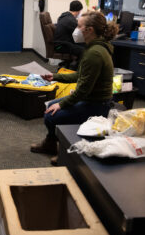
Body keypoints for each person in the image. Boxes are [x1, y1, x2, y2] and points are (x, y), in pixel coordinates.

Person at [30, 11, 119, 163]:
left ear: (89, 30)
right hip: (92, 100)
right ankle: (51, 143)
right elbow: (79, 76)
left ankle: (65, 153)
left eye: (79, 26)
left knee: (51, 114)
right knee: (51, 105)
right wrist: (55, 76)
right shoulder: (94, 48)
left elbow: (83, 91)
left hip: (97, 105)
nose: (76, 30)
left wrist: (62, 104)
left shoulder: (95, 53)